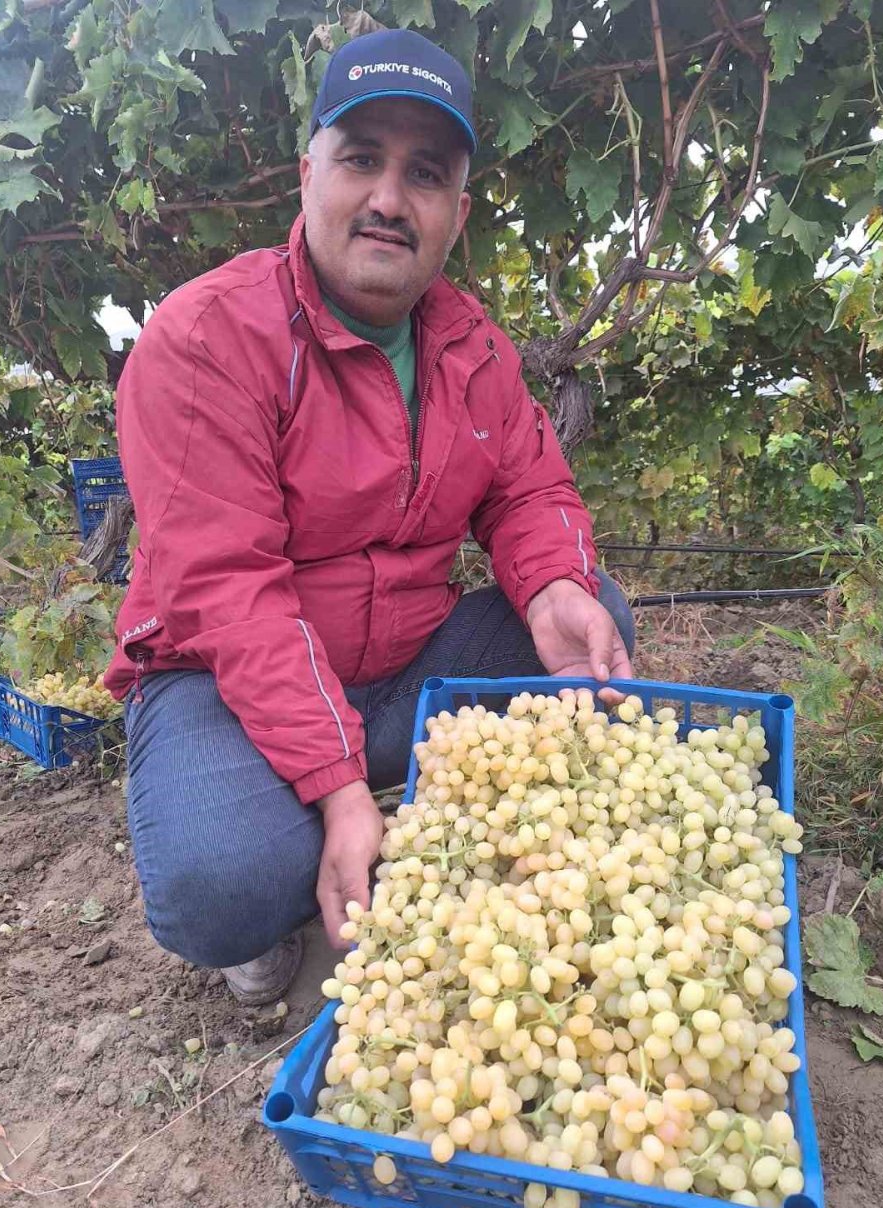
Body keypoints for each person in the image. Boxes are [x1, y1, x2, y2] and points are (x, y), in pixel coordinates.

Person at [104, 28, 635, 1005]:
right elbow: (230, 596)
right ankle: (302, 851)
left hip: (399, 671)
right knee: (222, 883)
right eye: (361, 159)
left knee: (591, 617)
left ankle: (435, 829)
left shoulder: (474, 349)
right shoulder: (207, 338)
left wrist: (553, 582)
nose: (390, 198)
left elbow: (530, 489)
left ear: (456, 213)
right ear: (307, 173)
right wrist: (339, 787)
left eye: (424, 173)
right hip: (221, 679)